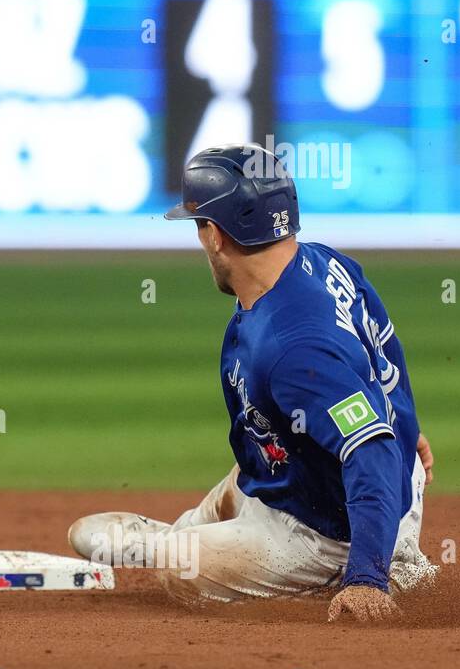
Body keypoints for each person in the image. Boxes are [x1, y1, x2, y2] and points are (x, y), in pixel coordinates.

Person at [68, 144, 438, 623]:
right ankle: (202, 535)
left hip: (333, 531)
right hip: (326, 473)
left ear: (216, 235)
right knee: (175, 523)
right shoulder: (325, 262)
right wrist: (397, 423)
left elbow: (369, 449)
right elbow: (373, 354)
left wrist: (365, 578)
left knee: (176, 571)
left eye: (199, 224)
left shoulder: (292, 346)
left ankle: (380, 571)